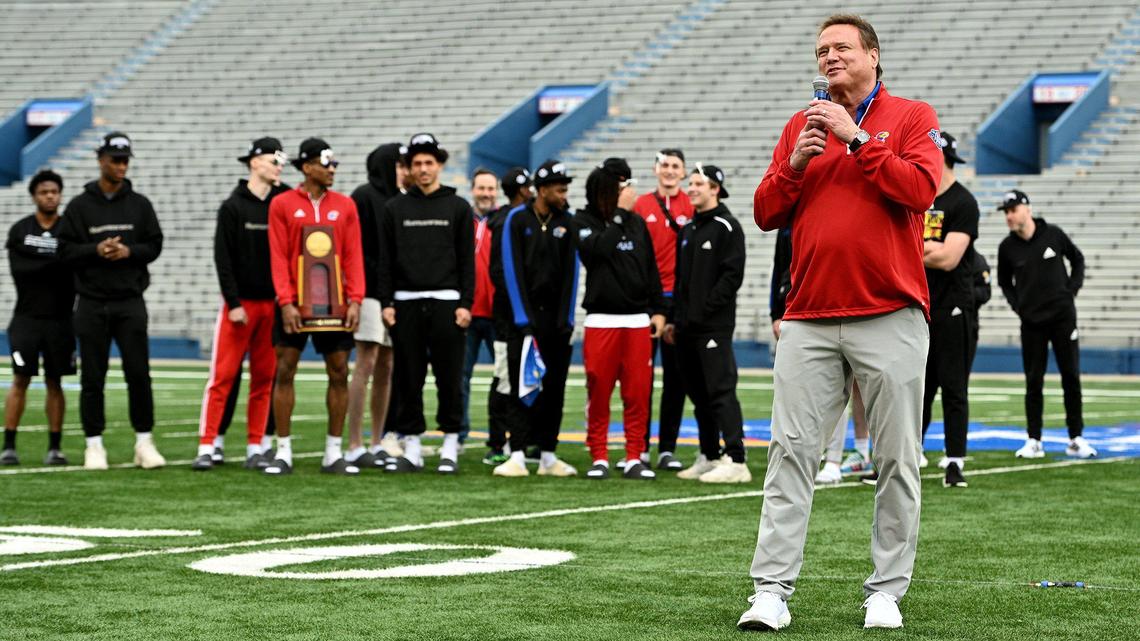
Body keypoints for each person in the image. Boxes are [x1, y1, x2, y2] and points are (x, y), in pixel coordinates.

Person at [739, 15, 942, 631]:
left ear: (873, 56)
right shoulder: (800, 125)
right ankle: (771, 590)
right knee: (790, 454)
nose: (828, 58)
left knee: (896, 459)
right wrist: (795, 164)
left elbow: (920, 189)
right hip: (808, 315)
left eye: (841, 48)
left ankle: (886, 590)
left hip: (890, 311)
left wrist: (856, 139)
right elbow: (766, 212)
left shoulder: (911, 116)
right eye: (821, 50)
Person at [59, 132, 165, 471]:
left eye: (125, 160)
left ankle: (144, 442)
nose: (121, 166)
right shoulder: (79, 206)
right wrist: (97, 250)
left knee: (139, 373)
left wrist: (128, 251)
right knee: (93, 376)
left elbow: (154, 244)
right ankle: (94, 444)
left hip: (130, 300)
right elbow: (65, 251)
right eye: (115, 159)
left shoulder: (140, 204)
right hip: (90, 302)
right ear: (100, 159)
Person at [264, 138, 364, 476]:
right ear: (307, 167)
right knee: (285, 370)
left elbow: (352, 255)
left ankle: (333, 452)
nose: (332, 169)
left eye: (334, 164)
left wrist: (356, 299)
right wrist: (286, 302)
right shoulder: (281, 204)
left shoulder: (346, 206)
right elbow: (277, 256)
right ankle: (283, 450)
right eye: (326, 164)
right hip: (296, 305)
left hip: (334, 305)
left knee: (339, 371)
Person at [377, 133, 474, 474]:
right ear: (409, 168)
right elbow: (385, 261)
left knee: (450, 378)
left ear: (440, 165)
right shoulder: (395, 208)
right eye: (416, 163)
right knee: (408, 377)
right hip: (405, 304)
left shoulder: (458, 207)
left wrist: (466, 302)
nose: (423, 169)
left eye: (428, 163)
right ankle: (412, 446)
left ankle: (450, 444)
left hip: (447, 303)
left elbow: (467, 260)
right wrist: (387, 302)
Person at [192, 138, 289, 471]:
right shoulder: (233, 207)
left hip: (272, 305)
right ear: (254, 163)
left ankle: (255, 446)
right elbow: (224, 258)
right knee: (223, 377)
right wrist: (233, 302)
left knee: (264, 379)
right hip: (241, 306)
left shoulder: (282, 202)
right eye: (273, 160)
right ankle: (207, 444)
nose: (278, 166)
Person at [573, 158, 665, 481]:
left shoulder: (637, 224)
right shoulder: (582, 220)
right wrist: (620, 215)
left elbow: (650, 269)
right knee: (598, 390)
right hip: (601, 320)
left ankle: (633, 455)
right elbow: (596, 252)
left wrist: (658, 310)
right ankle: (599, 455)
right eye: (622, 185)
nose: (629, 190)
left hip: (637, 321)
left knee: (637, 392)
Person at [490, 160, 579, 478]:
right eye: (559, 189)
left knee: (554, 389)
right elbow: (511, 272)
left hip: (555, 325)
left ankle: (548, 455)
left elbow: (572, 274)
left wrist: (566, 320)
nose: (564, 194)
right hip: (522, 323)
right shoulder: (516, 220)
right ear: (542, 190)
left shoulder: (567, 222)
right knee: (521, 387)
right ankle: (516, 453)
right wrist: (522, 319)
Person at [769, 225, 873, 486]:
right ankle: (815, 457)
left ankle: (838, 459)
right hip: (802, 309)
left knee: (844, 388)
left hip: (840, 305)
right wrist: (776, 312)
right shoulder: (788, 225)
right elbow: (781, 266)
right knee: (809, 392)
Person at [664, 164, 748, 483]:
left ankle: (736, 459)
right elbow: (681, 281)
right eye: (692, 183)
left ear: (716, 188)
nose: (692, 188)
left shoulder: (727, 227)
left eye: (699, 183)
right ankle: (709, 454)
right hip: (687, 328)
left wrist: (704, 311)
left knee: (721, 391)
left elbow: (731, 278)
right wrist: (676, 319)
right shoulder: (688, 230)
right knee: (698, 395)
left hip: (713, 327)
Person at [996, 190, 1095, 459]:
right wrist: (1020, 307)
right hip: (1032, 323)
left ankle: (1076, 438)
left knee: (1071, 377)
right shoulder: (1007, 247)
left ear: (1027, 209)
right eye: (1006, 211)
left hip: (1063, 318)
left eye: (1012, 210)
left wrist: (1070, 291)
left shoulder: (1053, 234)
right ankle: (1034, 440)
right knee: (1033, 381)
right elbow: (1004, 282)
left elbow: (1078, 259)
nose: (1008, 216)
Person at [2, 170, 75, 466]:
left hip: (60, 320)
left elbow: (73, 267)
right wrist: (57, 262)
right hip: (27, 319)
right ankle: (8, 445)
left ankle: (55, 447)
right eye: (44, 192)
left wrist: (46, 262)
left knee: (55, 382)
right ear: (34, 195)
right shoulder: (21, 229)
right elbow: (22, 270)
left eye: (54, 192)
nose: (50, 196)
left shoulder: (70, 229)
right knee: (20, 379)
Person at [919, 132, 979, 488]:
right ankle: (907, 455)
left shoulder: (963, 202)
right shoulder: (919, 197)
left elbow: (947, 257)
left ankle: (954, 461)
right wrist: (926, 247)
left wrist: (919, 246)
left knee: (954, 388)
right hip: (920, 305)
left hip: (954, 307)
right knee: (918, 391)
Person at [631, 148, 694, 471]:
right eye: (665, 165)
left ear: (682, 172)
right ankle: (638, 447)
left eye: (675, 166)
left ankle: (667, 448)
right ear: (656, 170)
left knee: (676, 378)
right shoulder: (641, 205)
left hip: (678, 301)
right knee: (641, 377)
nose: (669, 171)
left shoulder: (691, 204)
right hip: (646, 300)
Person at [346, 142, 407, 469]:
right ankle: (355, 442)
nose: (404, 170)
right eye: (399, 165)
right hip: (369, 291)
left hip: (394, 294)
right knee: (366, 363)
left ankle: (377, 439)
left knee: (387, 366)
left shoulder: (401, 200)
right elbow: (355, 246)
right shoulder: (364, 196)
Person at [484, 167, 533, 465]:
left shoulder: (519, 217)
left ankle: (523, 438)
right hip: (508, 314)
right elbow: (500, 272)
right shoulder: (506, 221)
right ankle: (497, 440)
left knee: (522, 376)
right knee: (505, 377)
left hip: (518, 312)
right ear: (521, 190)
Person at [460, 168, 500, 448]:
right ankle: (459, 434)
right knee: (460, 377)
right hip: (467, 313)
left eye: (490, 188)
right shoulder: (461, 220)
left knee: (503, 380)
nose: (485, 194)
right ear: (472, 189)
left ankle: (501, 438)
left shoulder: (506, 220)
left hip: (498, 313)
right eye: (481, 188)